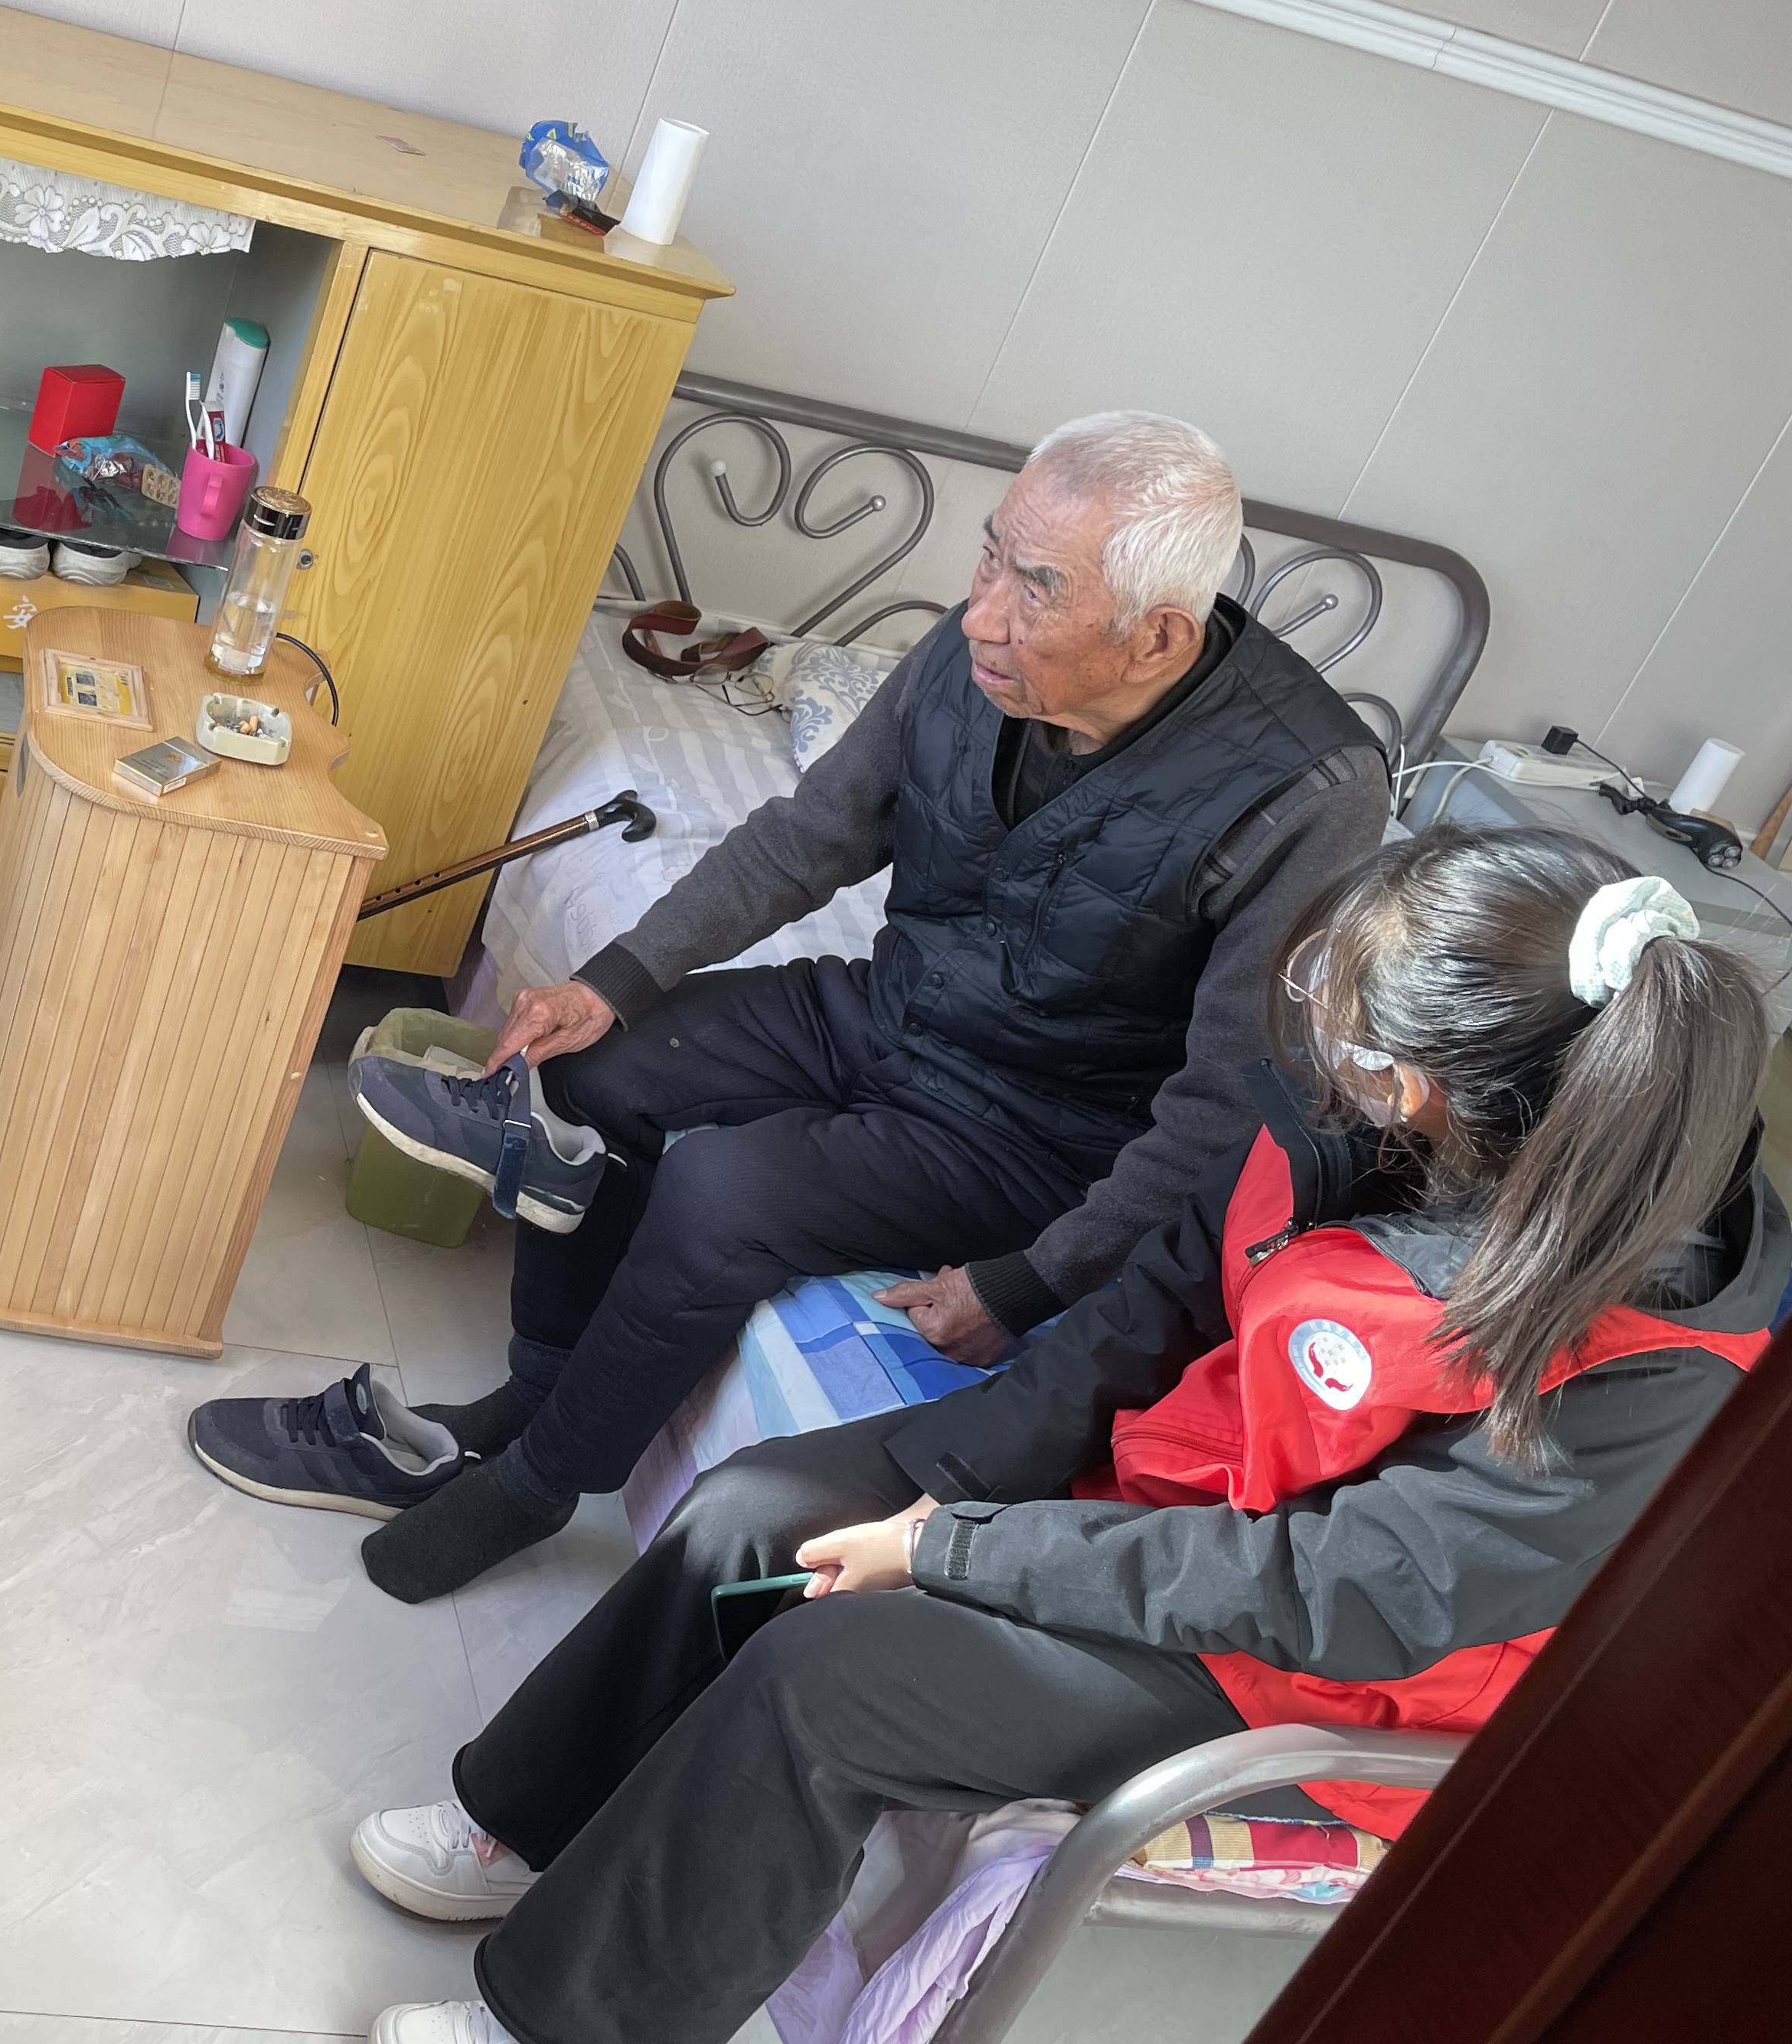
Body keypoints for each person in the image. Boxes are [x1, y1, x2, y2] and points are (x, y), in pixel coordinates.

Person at [344, 828, 1780, 2044]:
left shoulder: (1658, 1369)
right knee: (751, 1512)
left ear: (1421, 1081)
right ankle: (521, 1821)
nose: (1314, 1035)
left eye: (1345, 1022)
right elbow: (1157, 1302)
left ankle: (561, 2025)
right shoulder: (1366, 1131)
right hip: (1171, 1504)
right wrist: (951, 1474)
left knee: (826, 1679)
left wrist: (959, 1549)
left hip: (1308, 1661)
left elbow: (1348, 1591)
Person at [193, 410, 1391, 1598]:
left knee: (721, 1194)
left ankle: (537, 1484)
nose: (980, 613)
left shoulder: (1306, 790)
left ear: (1156, 636)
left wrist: (1030, 1281)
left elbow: (1228, 1104)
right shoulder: (971, 655)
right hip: (890, 1007)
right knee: (588, 1074)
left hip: (1045, 1128)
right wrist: (614, 979)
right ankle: (533, 1393)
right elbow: (809, 837)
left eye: (1035, 590)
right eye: (989, 555)